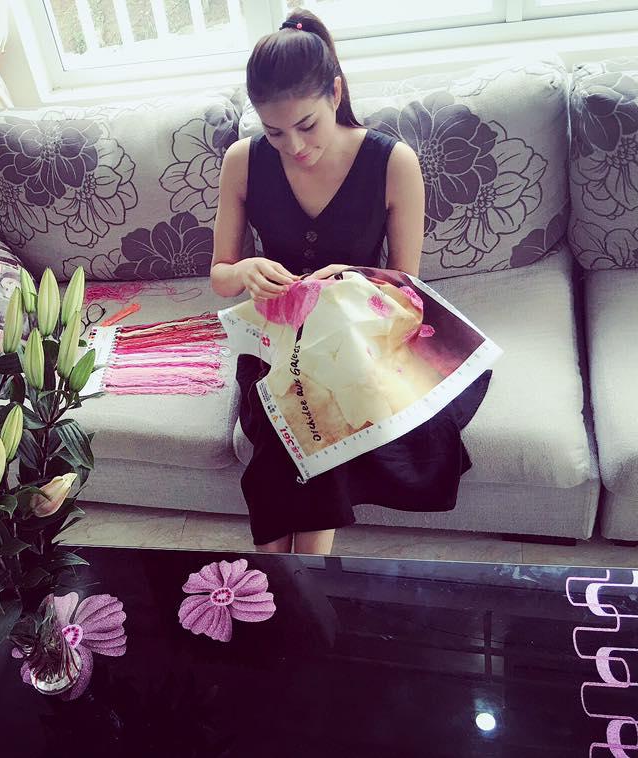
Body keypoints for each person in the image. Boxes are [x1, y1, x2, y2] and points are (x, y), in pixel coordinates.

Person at [210, 9, 491, 555]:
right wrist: (245, 270)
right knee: (286, 416)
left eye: (307, 125)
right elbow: (222, 277)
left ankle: (291, 578)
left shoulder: (393, 162)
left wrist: (351, 278)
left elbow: (407, 287)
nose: (294, 146)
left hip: (365, 332)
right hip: (278, 336)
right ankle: (289, 578)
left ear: (335, 93)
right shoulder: (242, 161)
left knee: (322, 410)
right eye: (274, 132)